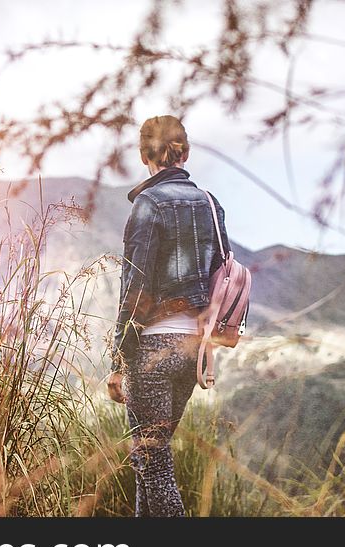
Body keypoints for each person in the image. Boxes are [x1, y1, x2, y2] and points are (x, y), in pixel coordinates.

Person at [107, 115, 230, 517]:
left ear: (144, 156)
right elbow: (221, 276)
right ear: (186, 153)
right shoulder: (212, 205)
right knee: (148, 464)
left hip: (154, 351)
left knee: (153, 466)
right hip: (193, 349)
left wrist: (118, 361)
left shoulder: (148, 204)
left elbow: (135, 288)